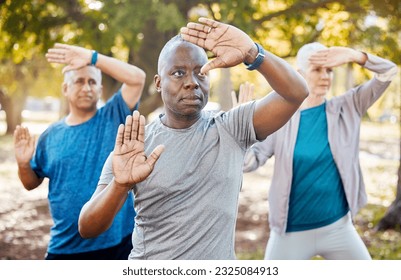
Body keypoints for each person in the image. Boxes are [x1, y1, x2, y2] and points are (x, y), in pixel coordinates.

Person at [78, 17, 309, 260]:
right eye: (178, 73)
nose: (192, 83)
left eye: (201, 73)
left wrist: (253, 53)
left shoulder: (232, 127)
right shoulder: (135, 146)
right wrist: (120, 185)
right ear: (158, 83)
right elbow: (87, 227)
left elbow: (296, 93)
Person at [243, 42, 398, 259]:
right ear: (299, 74)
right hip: (290, 233)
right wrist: (241, 130)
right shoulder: (281, 117)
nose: (325, 76)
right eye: (317, 70)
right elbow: (248, 162)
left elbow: (389, 71)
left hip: (338, 228)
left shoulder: (349, 105)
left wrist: (355, 55)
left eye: (330, 70)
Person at [13, 43, 146, 260]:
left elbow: (137, 78)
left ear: (100, 90)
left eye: (92, 81)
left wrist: (92, 58)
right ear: (65, 89)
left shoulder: (113, 115)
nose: (87, 87)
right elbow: (30, 183)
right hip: (65, 247)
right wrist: (23, 164)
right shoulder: (51, 135)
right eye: (79, 81)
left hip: (118, 244)